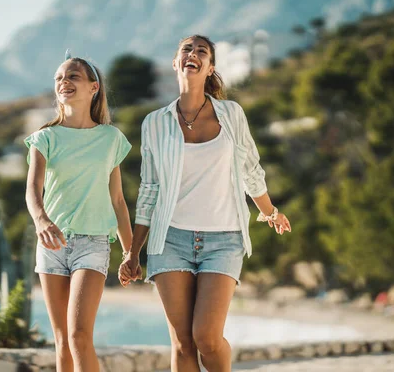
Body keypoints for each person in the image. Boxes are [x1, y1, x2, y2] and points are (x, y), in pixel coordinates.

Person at [120, 35, 291, 372]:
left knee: (207, 339)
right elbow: (149, 189)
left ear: (210, 67)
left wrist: (268, 211)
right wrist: (133, 251)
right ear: (175, 63)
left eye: (202, 52)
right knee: (183, 344)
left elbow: (249, 169)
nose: (193, 54)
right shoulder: (154, 122)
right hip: (169, 241)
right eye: (186, 49)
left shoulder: (232, 114)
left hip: (223, 239)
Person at [25, 51, 133, 372]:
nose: (64, 81)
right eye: (59, 77)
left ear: (93, 87)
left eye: (72, 76)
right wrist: (41, 220)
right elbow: (33, 189)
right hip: (51, 246)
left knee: (79, 335)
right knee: (62, 342)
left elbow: (117, 201)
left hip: (93, 244)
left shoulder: (111, 138)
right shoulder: (45, 138)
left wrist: (130, 252)